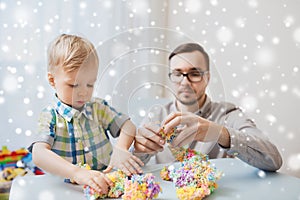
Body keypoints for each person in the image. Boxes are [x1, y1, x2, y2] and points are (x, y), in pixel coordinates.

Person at [133, 43, 283, 171]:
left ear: (208, 78)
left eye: (194, 73)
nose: (185, 82)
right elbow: (130, 165)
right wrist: (139, 150)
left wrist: (220, 133)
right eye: (177, 73)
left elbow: (273, 159)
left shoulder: (228, 114)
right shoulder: (156, 114)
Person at [29, 34, 144, 195]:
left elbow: (128, 125)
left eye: (90, 84)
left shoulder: (98, 108)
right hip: (67, 191)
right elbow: (39, 154)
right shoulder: (50, 116)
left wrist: (121, 148)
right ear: (52, 80)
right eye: (74, 85)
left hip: (105, 186)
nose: (83, 92)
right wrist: (76, 173)